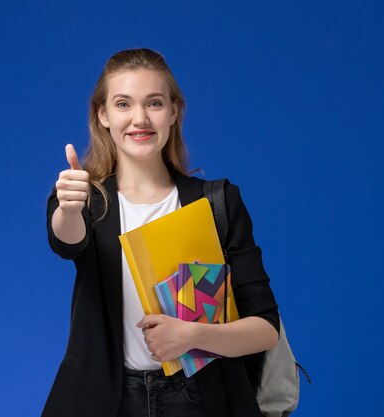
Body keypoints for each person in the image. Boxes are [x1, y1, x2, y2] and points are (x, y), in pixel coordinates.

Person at [43, 48, 280, 417]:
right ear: (102, 114)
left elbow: (266, 329)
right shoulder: (86, 201)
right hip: (106, 400)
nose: (140, 118)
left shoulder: (217, 202)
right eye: (123, 104)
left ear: (174, 111)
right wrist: (70, 207)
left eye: (154, 103)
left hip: (199, 399)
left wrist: (195, 336)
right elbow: (67, 240)